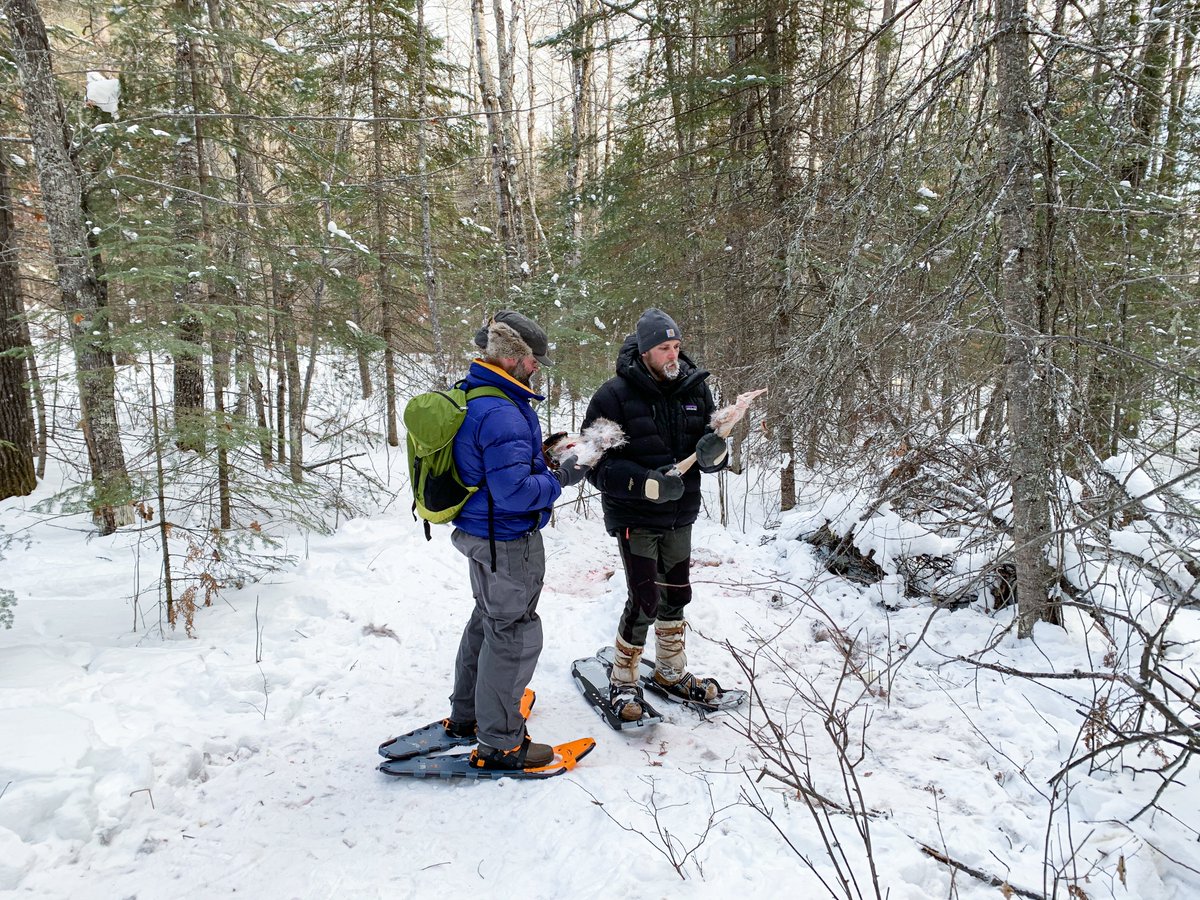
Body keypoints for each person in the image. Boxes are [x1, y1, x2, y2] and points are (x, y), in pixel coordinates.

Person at [444, 310, 589, 770]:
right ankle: (501, 743)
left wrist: (541, 456)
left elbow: (493, 470)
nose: (537, 369)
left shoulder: (477, 394)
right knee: (513, 635)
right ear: (512, 358)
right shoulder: (504, 411)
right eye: (533, 361)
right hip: (506, 540)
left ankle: (468, 716)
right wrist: (563, 476)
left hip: (480, 532)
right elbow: (513, 493)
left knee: (488, 620)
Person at [581, 308, 729, 721]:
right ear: (645, 351)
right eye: (664, 348)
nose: (673, 355)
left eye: (677, 346)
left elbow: (708, 450)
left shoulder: (695, 390)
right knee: (645, 600)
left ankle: (669, 672)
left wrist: (716, 455)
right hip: (635, 517)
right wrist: (645, 482)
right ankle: (623, 681)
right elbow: (593, 464)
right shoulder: (611, 396)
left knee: (676, 594)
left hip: (681, 513)